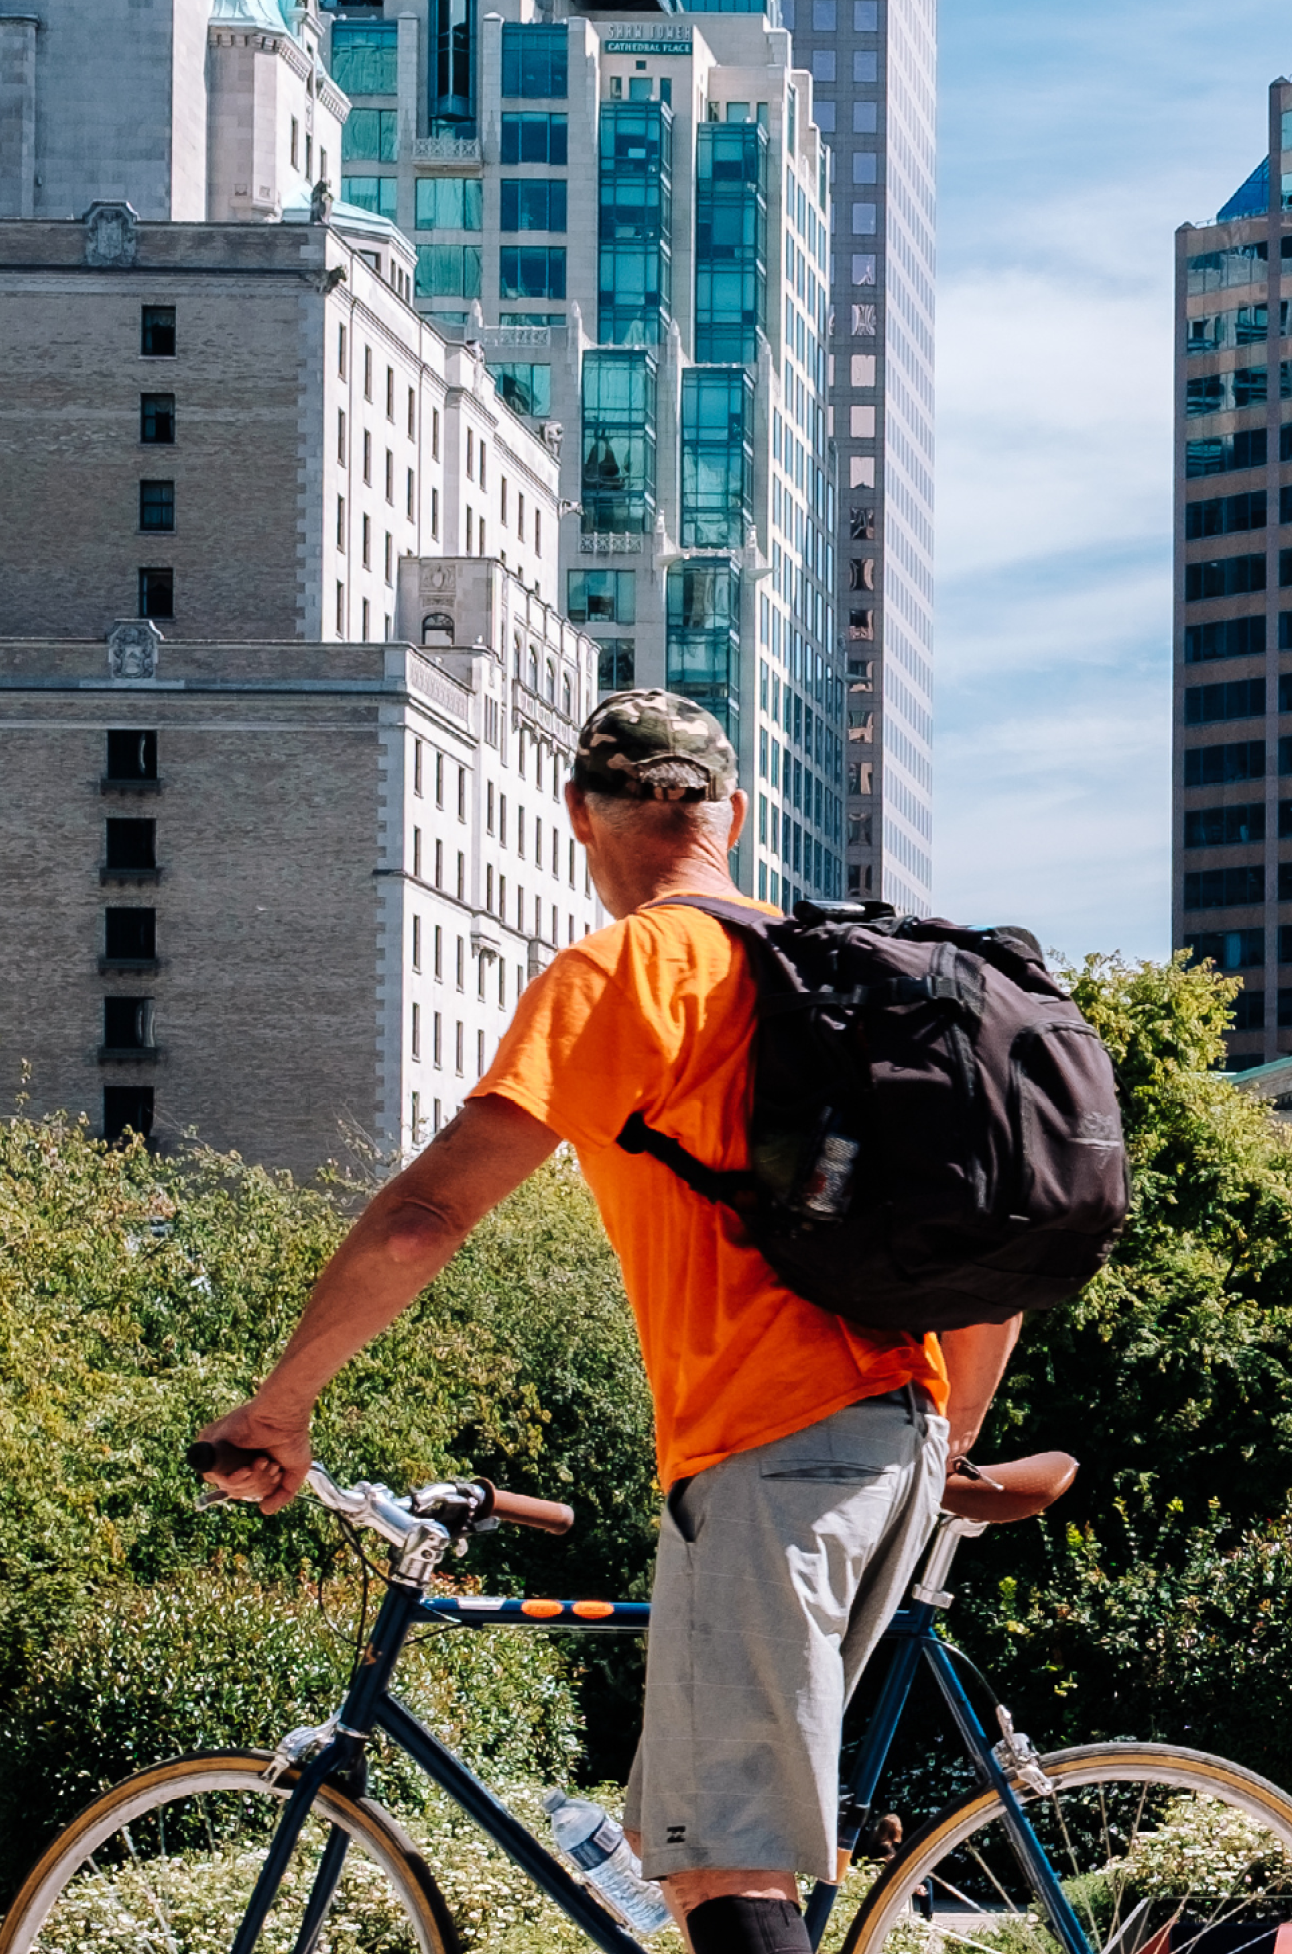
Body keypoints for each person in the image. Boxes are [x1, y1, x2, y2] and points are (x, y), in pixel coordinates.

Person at [194, 690, 1025, 1954]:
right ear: (730, 814)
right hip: (889, 1442)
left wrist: (282, 1401)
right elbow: (994, 1248)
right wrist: (939, 1432)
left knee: (727, 1869)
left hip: (766, 1445)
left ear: (581, 813)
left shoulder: (628, 971)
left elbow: (426, 1211)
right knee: (697, 1843)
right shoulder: (836, 974)